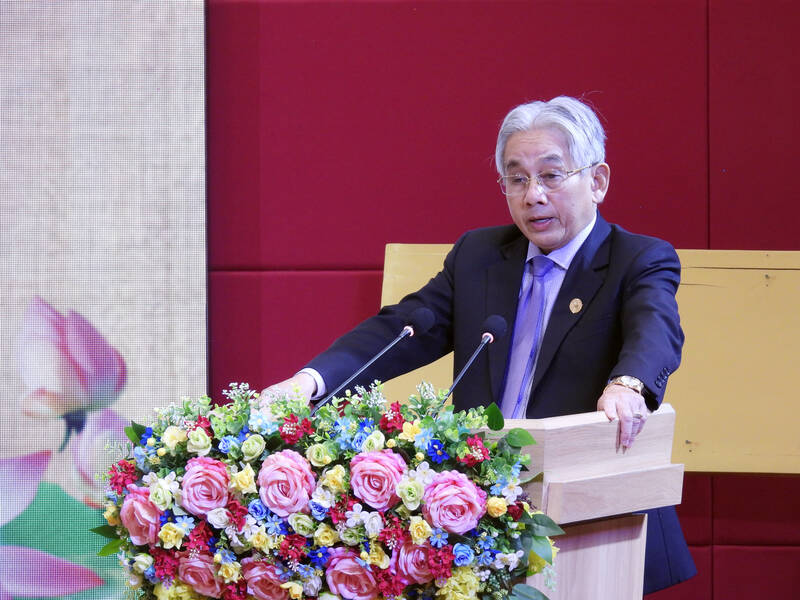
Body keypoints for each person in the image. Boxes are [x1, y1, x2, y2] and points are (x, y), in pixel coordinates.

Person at [265, 96, 696, 593]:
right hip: (484, 519)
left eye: (551, 176)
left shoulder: (637, 259)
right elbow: (402, 328)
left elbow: (655, 330)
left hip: (598, 528)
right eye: (517, 178)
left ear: (596, 181)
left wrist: (628, 383)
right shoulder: (479, 256)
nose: (533, 195)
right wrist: (310, 383)